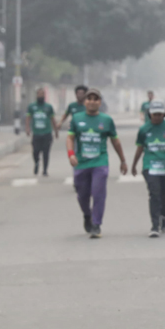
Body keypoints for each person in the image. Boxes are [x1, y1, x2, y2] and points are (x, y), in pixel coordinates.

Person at [66, 88, 128, 238]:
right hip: (81, 163)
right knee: (82, 195)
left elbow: (115, 141)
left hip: (100, 162)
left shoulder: (106, 120)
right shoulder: (76, 118)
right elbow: (70, 138)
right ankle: (87, 215)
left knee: (98, 192)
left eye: (95, 99)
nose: (92, 101)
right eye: (89, 99)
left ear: (100, 102)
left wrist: (123, 160)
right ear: (85, 101)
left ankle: (96, 224)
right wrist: (71, 154)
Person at [132, 100, 165, 237]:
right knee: (154, 193)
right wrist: (134, 165)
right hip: (150, 165)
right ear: (150, 114)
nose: (157, 117)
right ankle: (154, 225)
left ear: (164, 114)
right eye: (155, 114)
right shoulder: (144, 130)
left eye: (160, 114)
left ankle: (163, 215)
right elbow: (140, 148)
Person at [26, 88, 57, 176]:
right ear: (36, 95)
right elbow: (28, 118)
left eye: (42, 94)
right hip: (36, 133)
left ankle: (45, 170)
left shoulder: (48, 107)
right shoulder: (32, 107)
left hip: (47, 133)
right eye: (39, 94)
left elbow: (52, 119)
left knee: (46, 152)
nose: (40, 96)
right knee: (35, 151)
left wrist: (56, 130)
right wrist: (28, 128)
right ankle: (36, 163)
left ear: (44, 96)